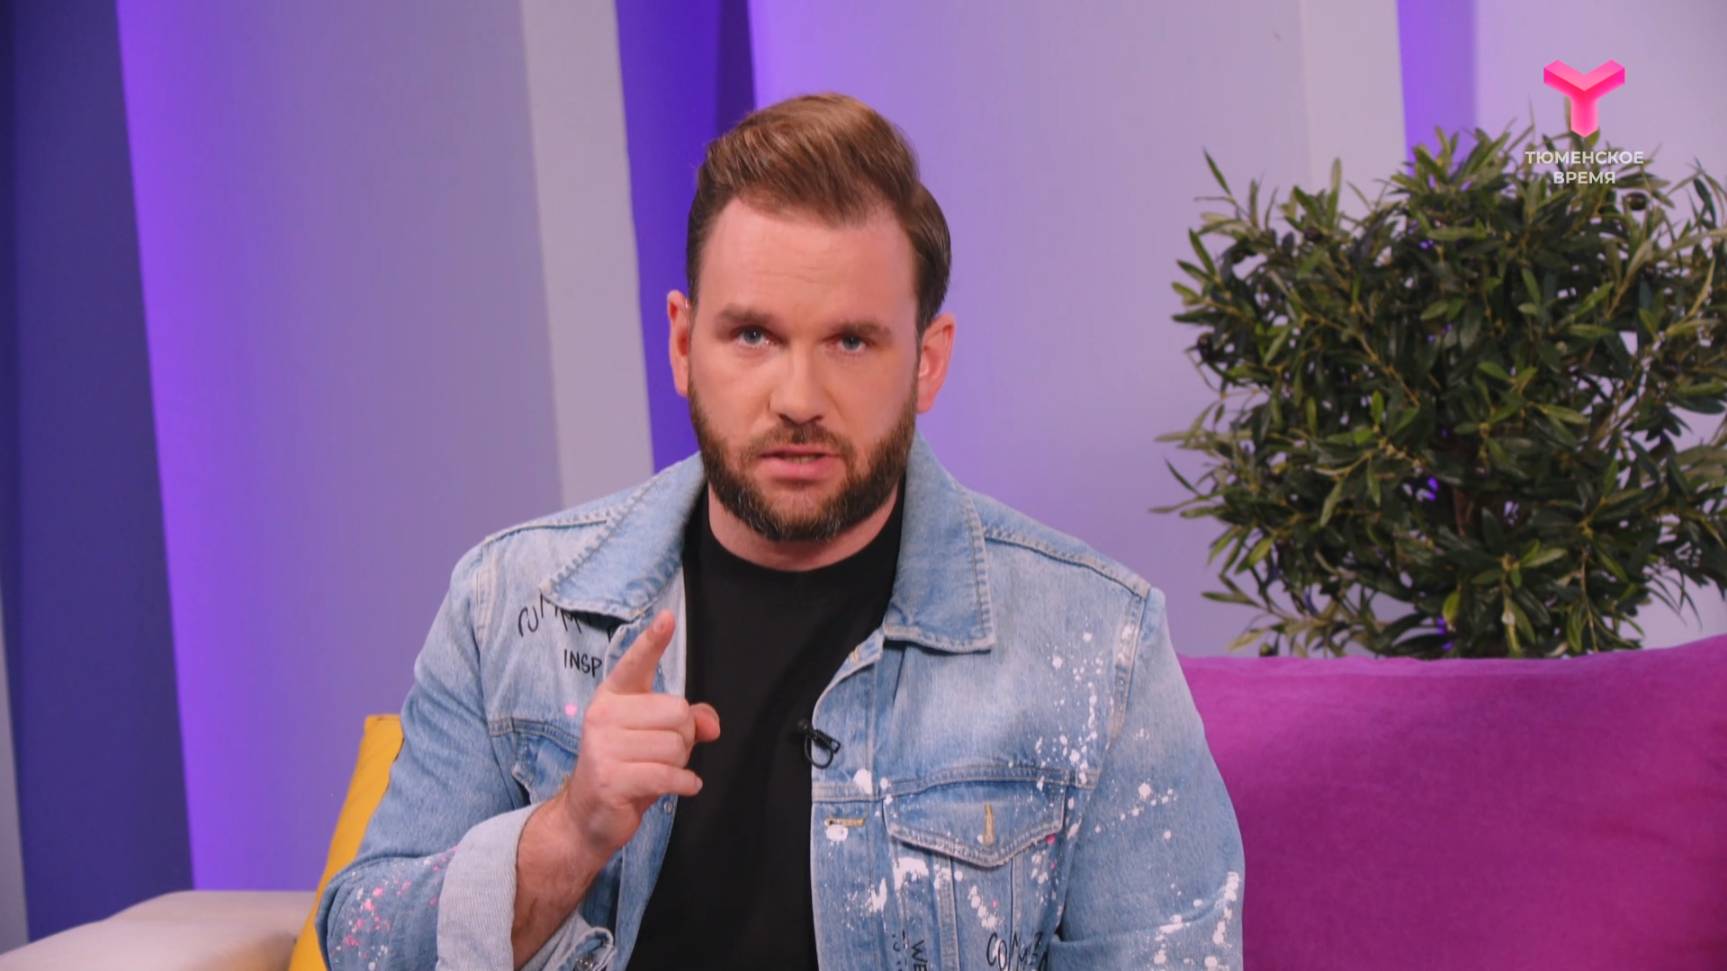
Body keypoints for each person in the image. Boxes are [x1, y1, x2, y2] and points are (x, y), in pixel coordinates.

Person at [317, 92, 1244, 971]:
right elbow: (362, 941)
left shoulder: (1095, 643)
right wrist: (568, 831)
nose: (798, 399)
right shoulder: (512, 602)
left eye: (851, 341)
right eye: (753, 336)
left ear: (927, 362)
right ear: (683, 346)